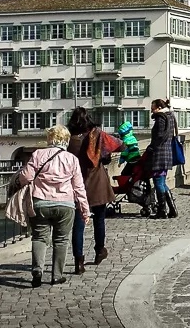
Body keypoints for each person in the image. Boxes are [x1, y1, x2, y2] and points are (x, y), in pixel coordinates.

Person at [18, 125, 90, 287]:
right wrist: (85, 211)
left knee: (39, 237)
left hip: (40, 202)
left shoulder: (38, 154)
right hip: (65, 204)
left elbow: (26, 177)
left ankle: (37, 270)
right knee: (61, 240)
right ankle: (57, 275)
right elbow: (79, 188)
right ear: (66, 140)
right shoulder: (71, 159)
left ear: (49, 139)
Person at [67, 108, 114, 273]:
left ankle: (78, 261)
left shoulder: (69, 141)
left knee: (78, 225)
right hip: (97, 183)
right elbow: (109, 153)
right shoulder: (96, 137)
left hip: (77, 185)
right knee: (99, 220)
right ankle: (99, 250)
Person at [149, 98, 179, 219]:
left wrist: (152, 146)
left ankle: (162, 210)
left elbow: (160, 135)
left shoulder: (161, 118)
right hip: (167, 152)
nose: (152, 112)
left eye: (153, 109)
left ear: (159, 108)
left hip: (160, 153)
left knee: (158, 182)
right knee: (162, 181)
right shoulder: (170, 116)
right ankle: (172, 209)